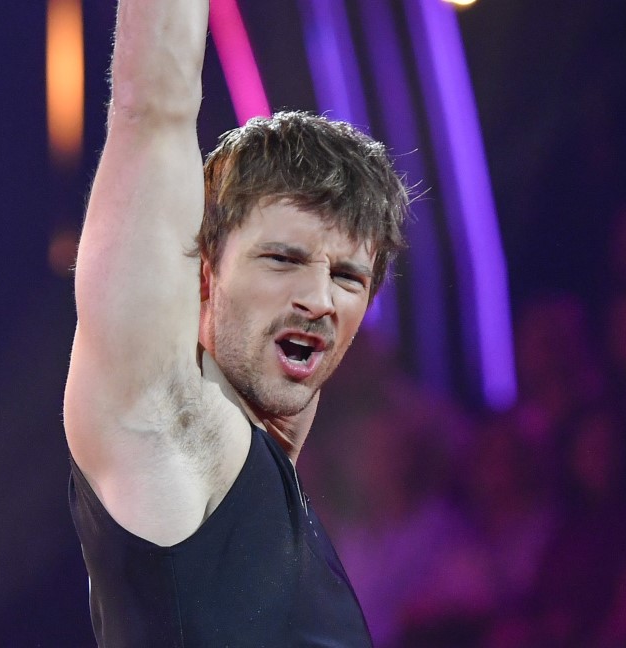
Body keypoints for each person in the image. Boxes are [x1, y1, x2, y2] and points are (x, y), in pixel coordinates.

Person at [61, 0, 409, 645]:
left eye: (347, 277)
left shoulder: (278, 494)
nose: (319, 299)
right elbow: (150, 106)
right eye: (283, 259)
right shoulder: (172, 429)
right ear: (203, 272)